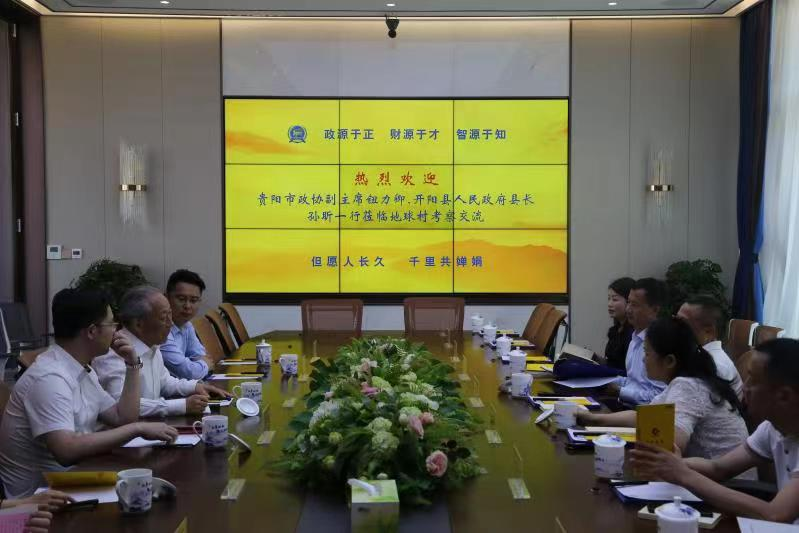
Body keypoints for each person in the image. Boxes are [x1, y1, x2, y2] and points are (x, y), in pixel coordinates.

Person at [0, 288, 178, 498]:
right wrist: (137, 429)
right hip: (40, 500)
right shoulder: (49, 377)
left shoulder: (82, 369)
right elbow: (66, 451)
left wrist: (132, 364)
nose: (117, 331)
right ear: (92, 331)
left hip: (75, 480)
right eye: (112, 324)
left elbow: (123, 417)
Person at [631, 338, 799, 524]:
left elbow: (776, 515)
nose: (744, 386)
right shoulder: (772, 427)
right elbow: (718, 468)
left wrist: (682, 474)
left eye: (753, 380)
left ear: (784, 396)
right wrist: (668, 464)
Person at [579, 317, 749, 463]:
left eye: (647, 353)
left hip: (727, 485)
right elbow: (644, 417)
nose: (644, 360)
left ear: (669, 361)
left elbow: (671, 444)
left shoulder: (689, 386)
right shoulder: (684, 382)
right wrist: (594, 419)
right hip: (708, 478)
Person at [93, 286, 229, 417]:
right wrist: (181, 406)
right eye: (164, 318)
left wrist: (195, 387)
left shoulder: (153, 345)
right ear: (138, 324)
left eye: (170, 315)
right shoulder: (113, 353)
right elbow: (122, 406)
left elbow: (165, 382)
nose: (170, 323)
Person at [606, 278, 667, 406]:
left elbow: (658, 398)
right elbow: (632, 382)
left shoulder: (660, 344)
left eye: (635, 305)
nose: (628, 309)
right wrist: (602, 380)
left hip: (642, 414)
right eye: (628, 302)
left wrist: (619, 391)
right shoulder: (635, 338)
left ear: (655, 310)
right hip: (624, 405)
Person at [676, 294, 743, 399]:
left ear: (708, 332)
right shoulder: (696, 356)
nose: (674, 327)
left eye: (681, 323)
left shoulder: (717, 367)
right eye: (674, 320)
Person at [160, 269, 221, 380]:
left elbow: (202, 356)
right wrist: (203, 365)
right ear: (166, 298)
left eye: (193, 300)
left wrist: (199, 364)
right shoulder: (160, 329)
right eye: (181, 299)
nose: (187, 306)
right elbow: (189, 372)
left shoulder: (187, 325)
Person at [596, 277, 635, 372]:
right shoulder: (615, 330)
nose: (609, 304)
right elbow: (612, 363)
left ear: (629, 301)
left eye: (615, 299)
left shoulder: (634, 333)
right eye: (609, 299)